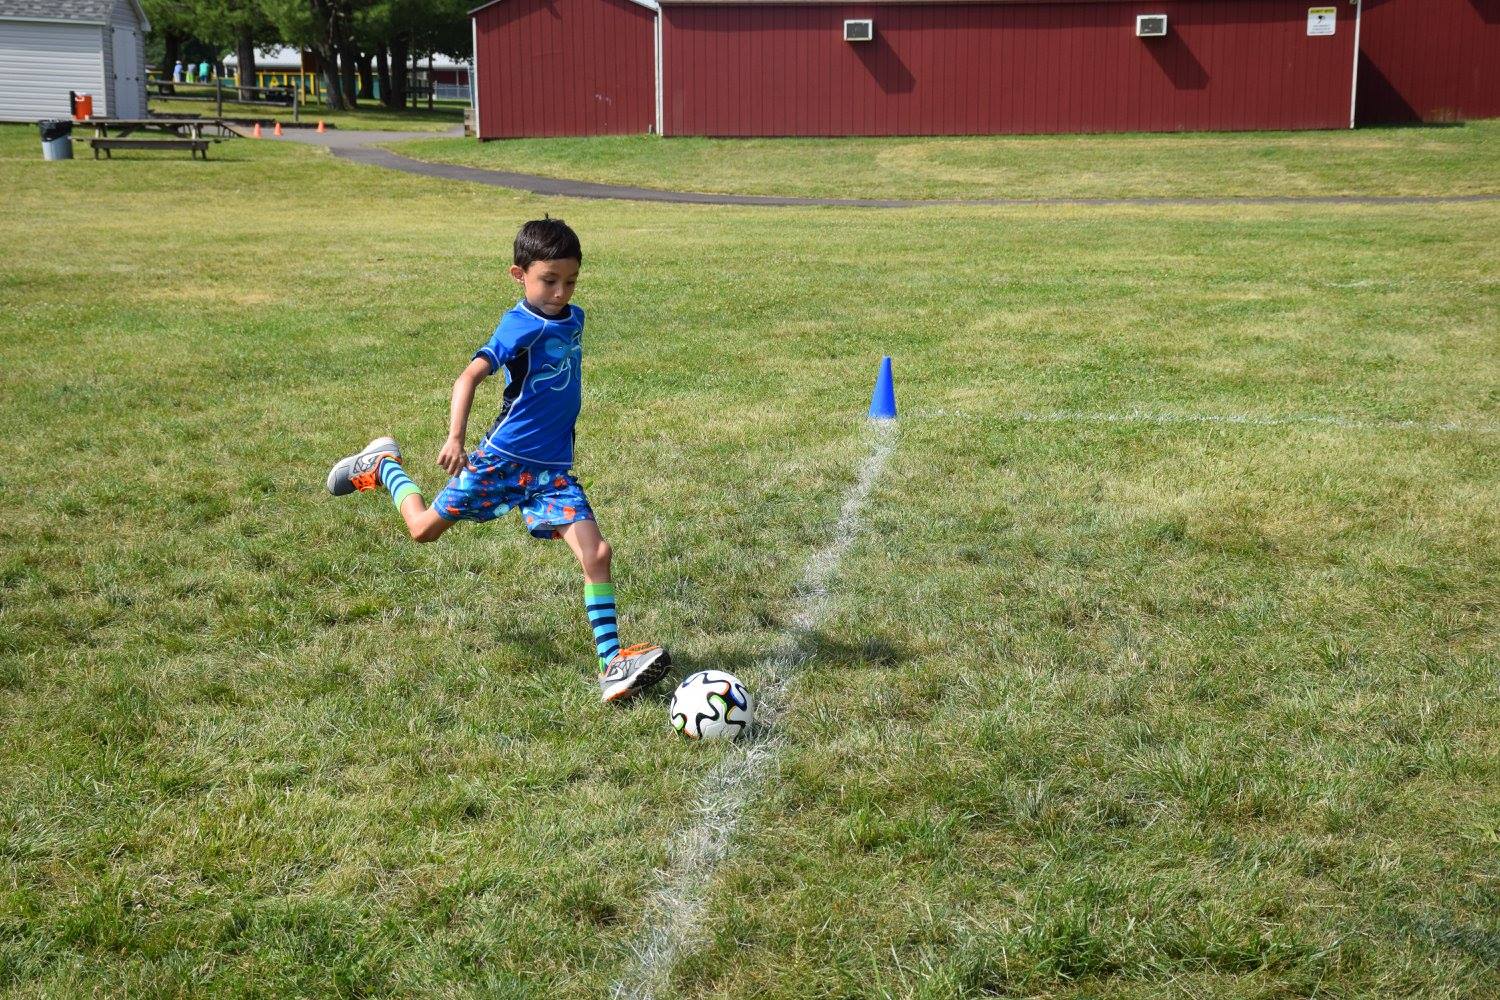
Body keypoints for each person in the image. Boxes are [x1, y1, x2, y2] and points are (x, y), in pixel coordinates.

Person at [325, 218, 671, 703]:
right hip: (502, 461)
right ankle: (385, 465)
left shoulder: (575, 318)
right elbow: (468, 377)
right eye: (548, 280)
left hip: (551, 471)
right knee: (423, 529)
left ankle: (612, 664)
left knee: (597, 554)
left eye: (569, 281)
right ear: (519, 275)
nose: (559, 291)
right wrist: (456, 437)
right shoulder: (519, 325)